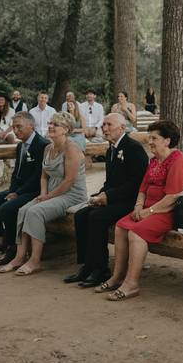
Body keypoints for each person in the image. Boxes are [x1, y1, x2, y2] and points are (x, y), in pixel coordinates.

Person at [97, 120, 183, 300]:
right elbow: (143, 188)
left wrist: (148, 212)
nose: (149, 141)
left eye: (154, 138)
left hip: (168, 212)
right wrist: (138, 207)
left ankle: (131, 283)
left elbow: (174, 197)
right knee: (121, 226)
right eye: (149, 138)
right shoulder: (154, 160)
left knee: (136, 233)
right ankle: (117, 276)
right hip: (148, 208)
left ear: (167, 141)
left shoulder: (177, 160)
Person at [64, 113, 149, 287]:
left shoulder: (133, 148)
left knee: (97, 217)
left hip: (131, 202)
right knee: (81, 215)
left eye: (109, 125)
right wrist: (99, 195)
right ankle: (87, 266)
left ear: (122, 128)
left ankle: (101, 269)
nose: (104, 128)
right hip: (114, 198)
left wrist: (108, 197)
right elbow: (110, 182)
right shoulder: (111, 148)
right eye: (103, 125)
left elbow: (137, 183)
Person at [0, 112, 87, 275]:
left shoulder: (72, 149)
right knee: (23, 210)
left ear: (66, 129)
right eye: (50, 123)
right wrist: (43, 193)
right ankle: (19, 257)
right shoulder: (48, 147)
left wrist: (48, 197)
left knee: (35, 212)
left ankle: (35, 261)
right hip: (52, 193)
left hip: (71, 194)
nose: (51, 126)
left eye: (56, 124)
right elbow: (44, 175)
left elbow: (69, 181)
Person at [0, 112, 50, 264]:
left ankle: (13, 248)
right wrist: (12, 191)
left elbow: (38, 177)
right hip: (18, 189)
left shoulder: (42, 145)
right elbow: (15, 172)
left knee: (7, 208)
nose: (15, 131)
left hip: (34, 191)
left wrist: (18, 193)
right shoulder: (20, 145)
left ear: (31, 126)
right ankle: (1, 241)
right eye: (14, 127)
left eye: (19, 127)